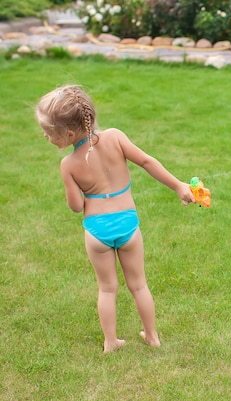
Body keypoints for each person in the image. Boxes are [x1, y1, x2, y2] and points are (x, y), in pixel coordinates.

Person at [36, 85, 196, 353]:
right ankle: (152, 336)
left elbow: (76, 207)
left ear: (70, 134)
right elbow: (146, 162)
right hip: (128, 226)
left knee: (107, 289)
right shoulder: (116, 137)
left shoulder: (69, 164)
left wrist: (77, 188)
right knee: (139, 284)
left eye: (49, 132)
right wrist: (179, 185)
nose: (45, 136)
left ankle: (111, 342)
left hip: (97, 231)